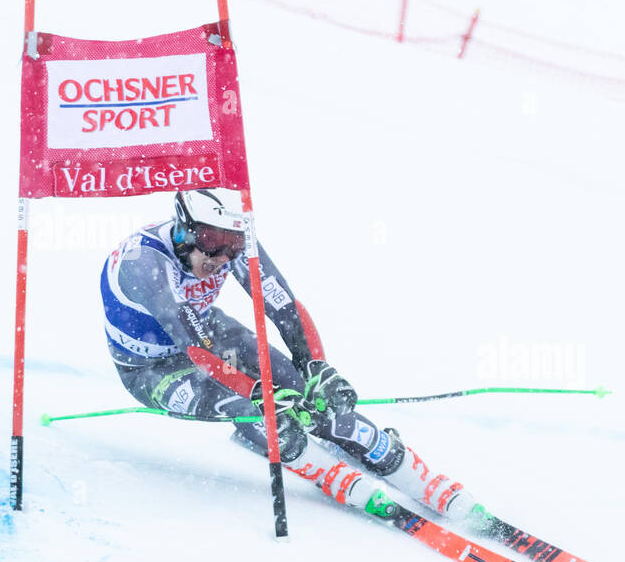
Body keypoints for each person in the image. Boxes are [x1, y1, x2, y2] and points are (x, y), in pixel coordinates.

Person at [99, 188, 474, 519]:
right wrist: (256, 393)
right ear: (184, 228)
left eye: (234, 243)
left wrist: (316, 368)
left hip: (207, 333)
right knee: (250, 407)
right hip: (152, 368)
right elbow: (195, 347)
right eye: (213, 240)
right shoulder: (143, 263)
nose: (223, 255)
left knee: (305, 391)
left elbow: (284, 307)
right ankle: (305, 457)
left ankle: (394, 460)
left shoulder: (230, 247)